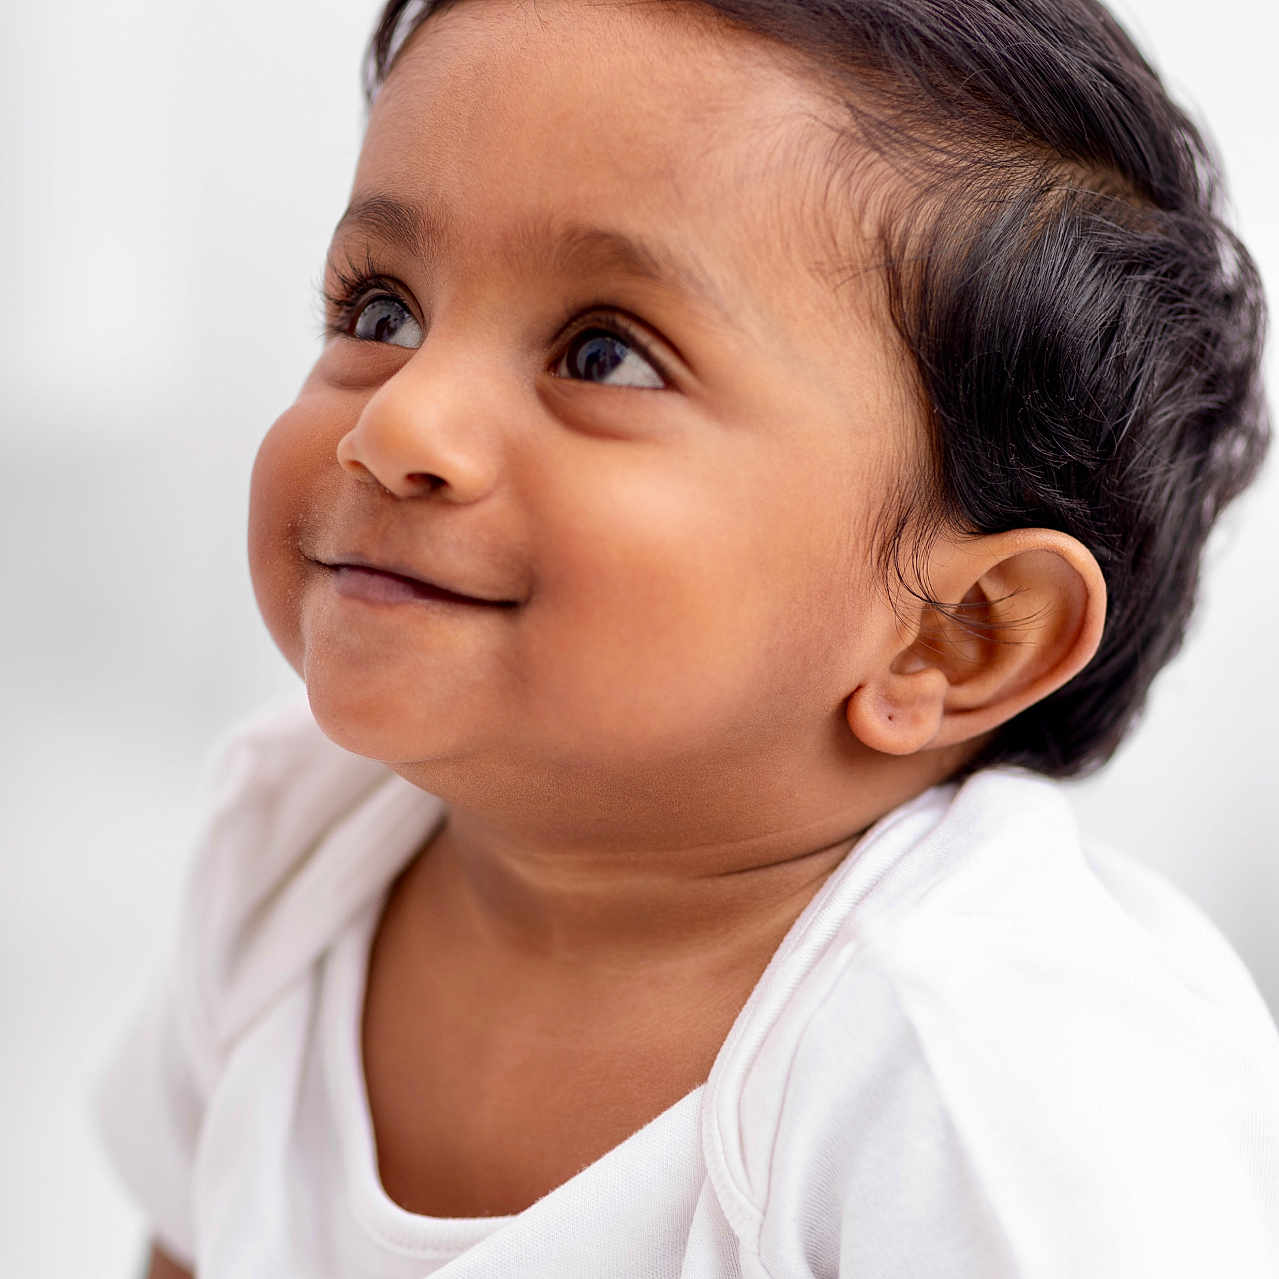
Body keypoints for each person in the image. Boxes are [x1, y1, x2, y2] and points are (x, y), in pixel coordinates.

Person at [94, 0, 1279, 1275]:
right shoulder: (291, 840)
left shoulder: (988, 1086)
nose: (397, 426)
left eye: (604, 356)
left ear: (950, 635)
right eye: (383, 314)